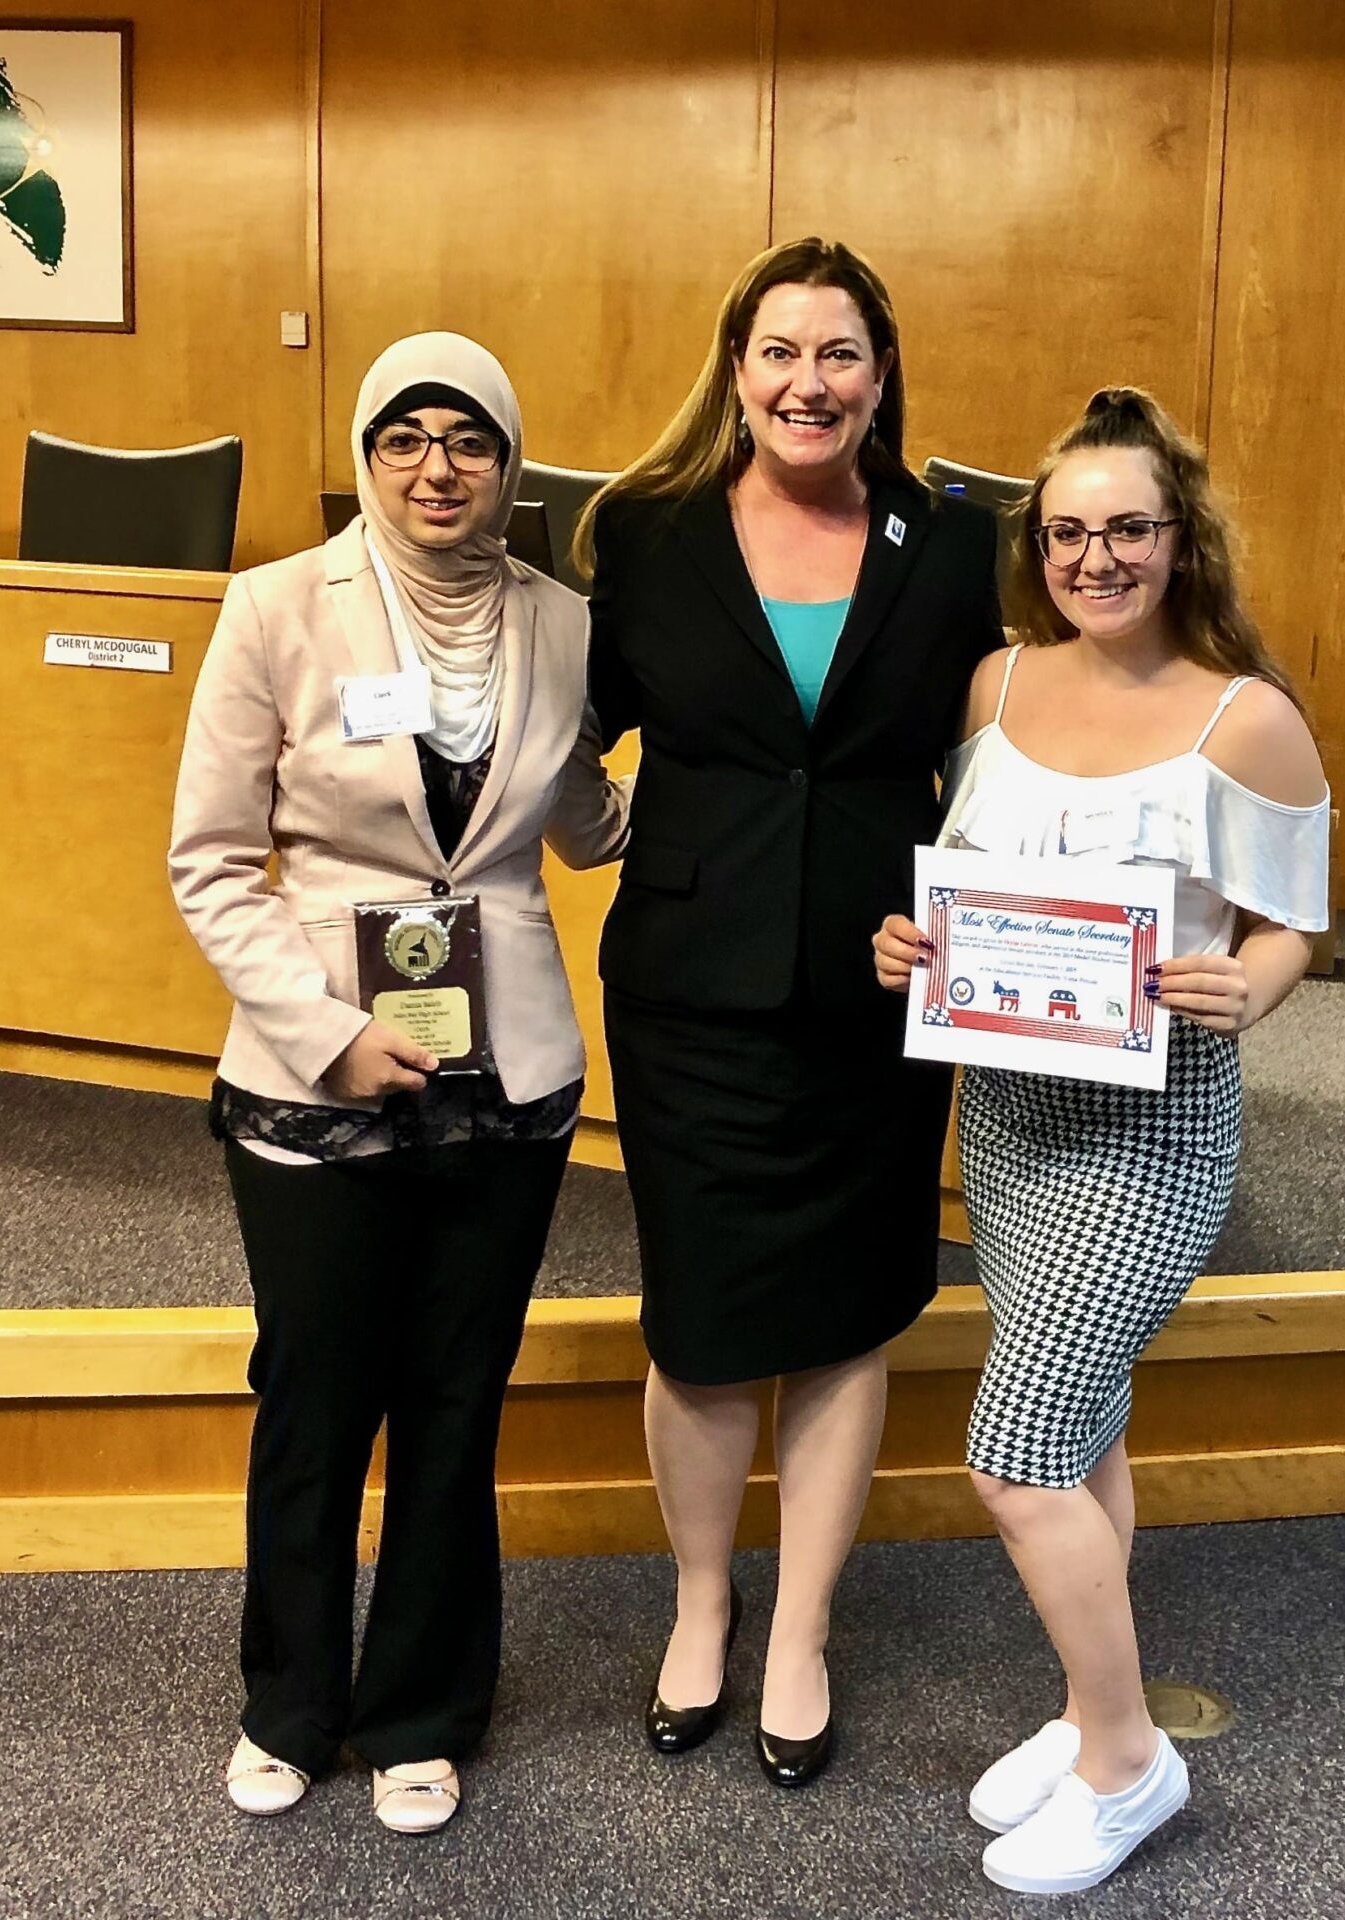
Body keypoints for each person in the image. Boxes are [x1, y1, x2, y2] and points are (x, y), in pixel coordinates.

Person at [169, 332, 630, 1833]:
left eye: (470, 441)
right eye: (405, 440)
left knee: (453, 1395)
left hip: (509, 1071)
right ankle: (290, 1703)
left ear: (511, 463)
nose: (438, 469)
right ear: (369, 457)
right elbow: (209, 861)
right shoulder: (274, 607)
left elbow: (582, 820)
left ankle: (421, 1708)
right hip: (318, 1072)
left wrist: (735, 776)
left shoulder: (562, 622)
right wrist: (325, 1031)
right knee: (316, 1393)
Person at [874, 386, 1329, 1894]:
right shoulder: (994, 685)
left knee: (1017, 1453)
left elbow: (1291, 926)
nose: (1097, 557)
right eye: (1069, 532)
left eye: (1129, 527)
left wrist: (1248, 986)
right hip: (1009, 1112)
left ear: (1180, 537)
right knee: (1088, 1428)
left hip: (1155, 1124)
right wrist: (913, 946)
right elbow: (964, 886)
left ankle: (1131, 1764)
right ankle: (1085, 1714)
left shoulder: (1244, 715)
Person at [574, 237, 1002, 1786]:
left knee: (843, 1310)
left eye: (839, 354)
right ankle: (704, 1603)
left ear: (881, 377)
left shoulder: (953, 547)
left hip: (881, 991)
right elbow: (568, 726)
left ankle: (802, 1629)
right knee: (699, 1325)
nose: (807, 383)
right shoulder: (649, 531)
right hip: (689, 994)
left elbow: (1003, 760)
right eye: (780, 352)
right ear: (737, 370)